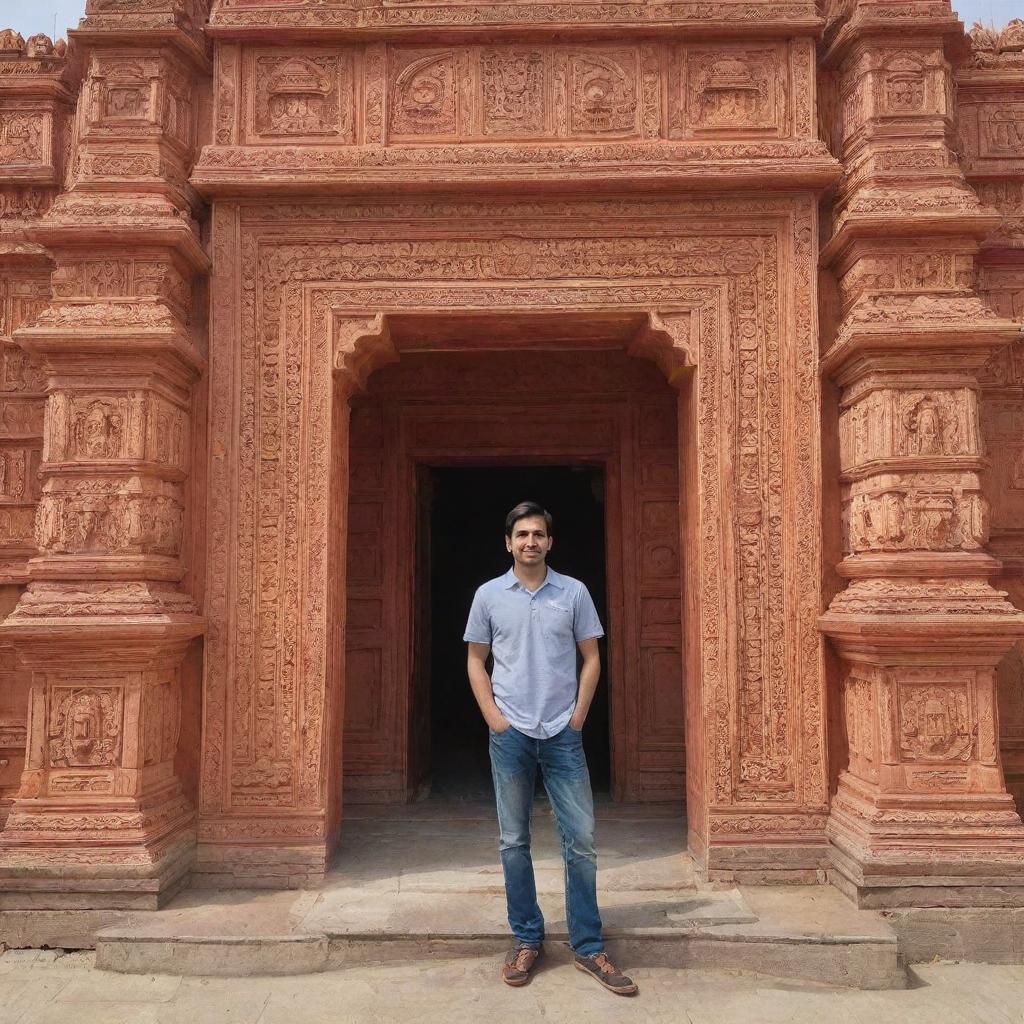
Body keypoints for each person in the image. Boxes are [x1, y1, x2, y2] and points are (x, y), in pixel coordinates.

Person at [463, 500, 638, 996]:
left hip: (562, 731)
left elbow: (592, 657)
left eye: (538, 534)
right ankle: (526, 938)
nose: (530, 542)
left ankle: (588, 945)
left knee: (580, 841)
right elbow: (476, 661)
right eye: (521, 535)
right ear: (508, 542)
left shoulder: (573, 593)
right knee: (513, 842)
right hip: (511, 732)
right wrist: (494, 718)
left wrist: (578, 715)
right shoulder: (489, 596)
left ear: (550, 542)